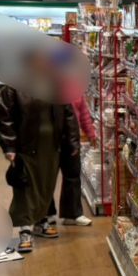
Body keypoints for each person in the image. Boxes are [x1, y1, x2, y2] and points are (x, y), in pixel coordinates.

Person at [0, 86, 79, 251]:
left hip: (52, 146)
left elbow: (68, 114)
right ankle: (25, 229)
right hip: (25, 147)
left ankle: (41, 221)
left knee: (46, 185)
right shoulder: (13, 87)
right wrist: (9, 146)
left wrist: (73, 141)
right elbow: (4, 117)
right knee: (25, 187)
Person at [48, 93, 96, 227]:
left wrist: (90, 133)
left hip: (71, 138)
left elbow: (83, 112)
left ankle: (72, 215)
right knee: (47, 178)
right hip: (49, 140)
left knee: (73, 175)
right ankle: (47, 214)